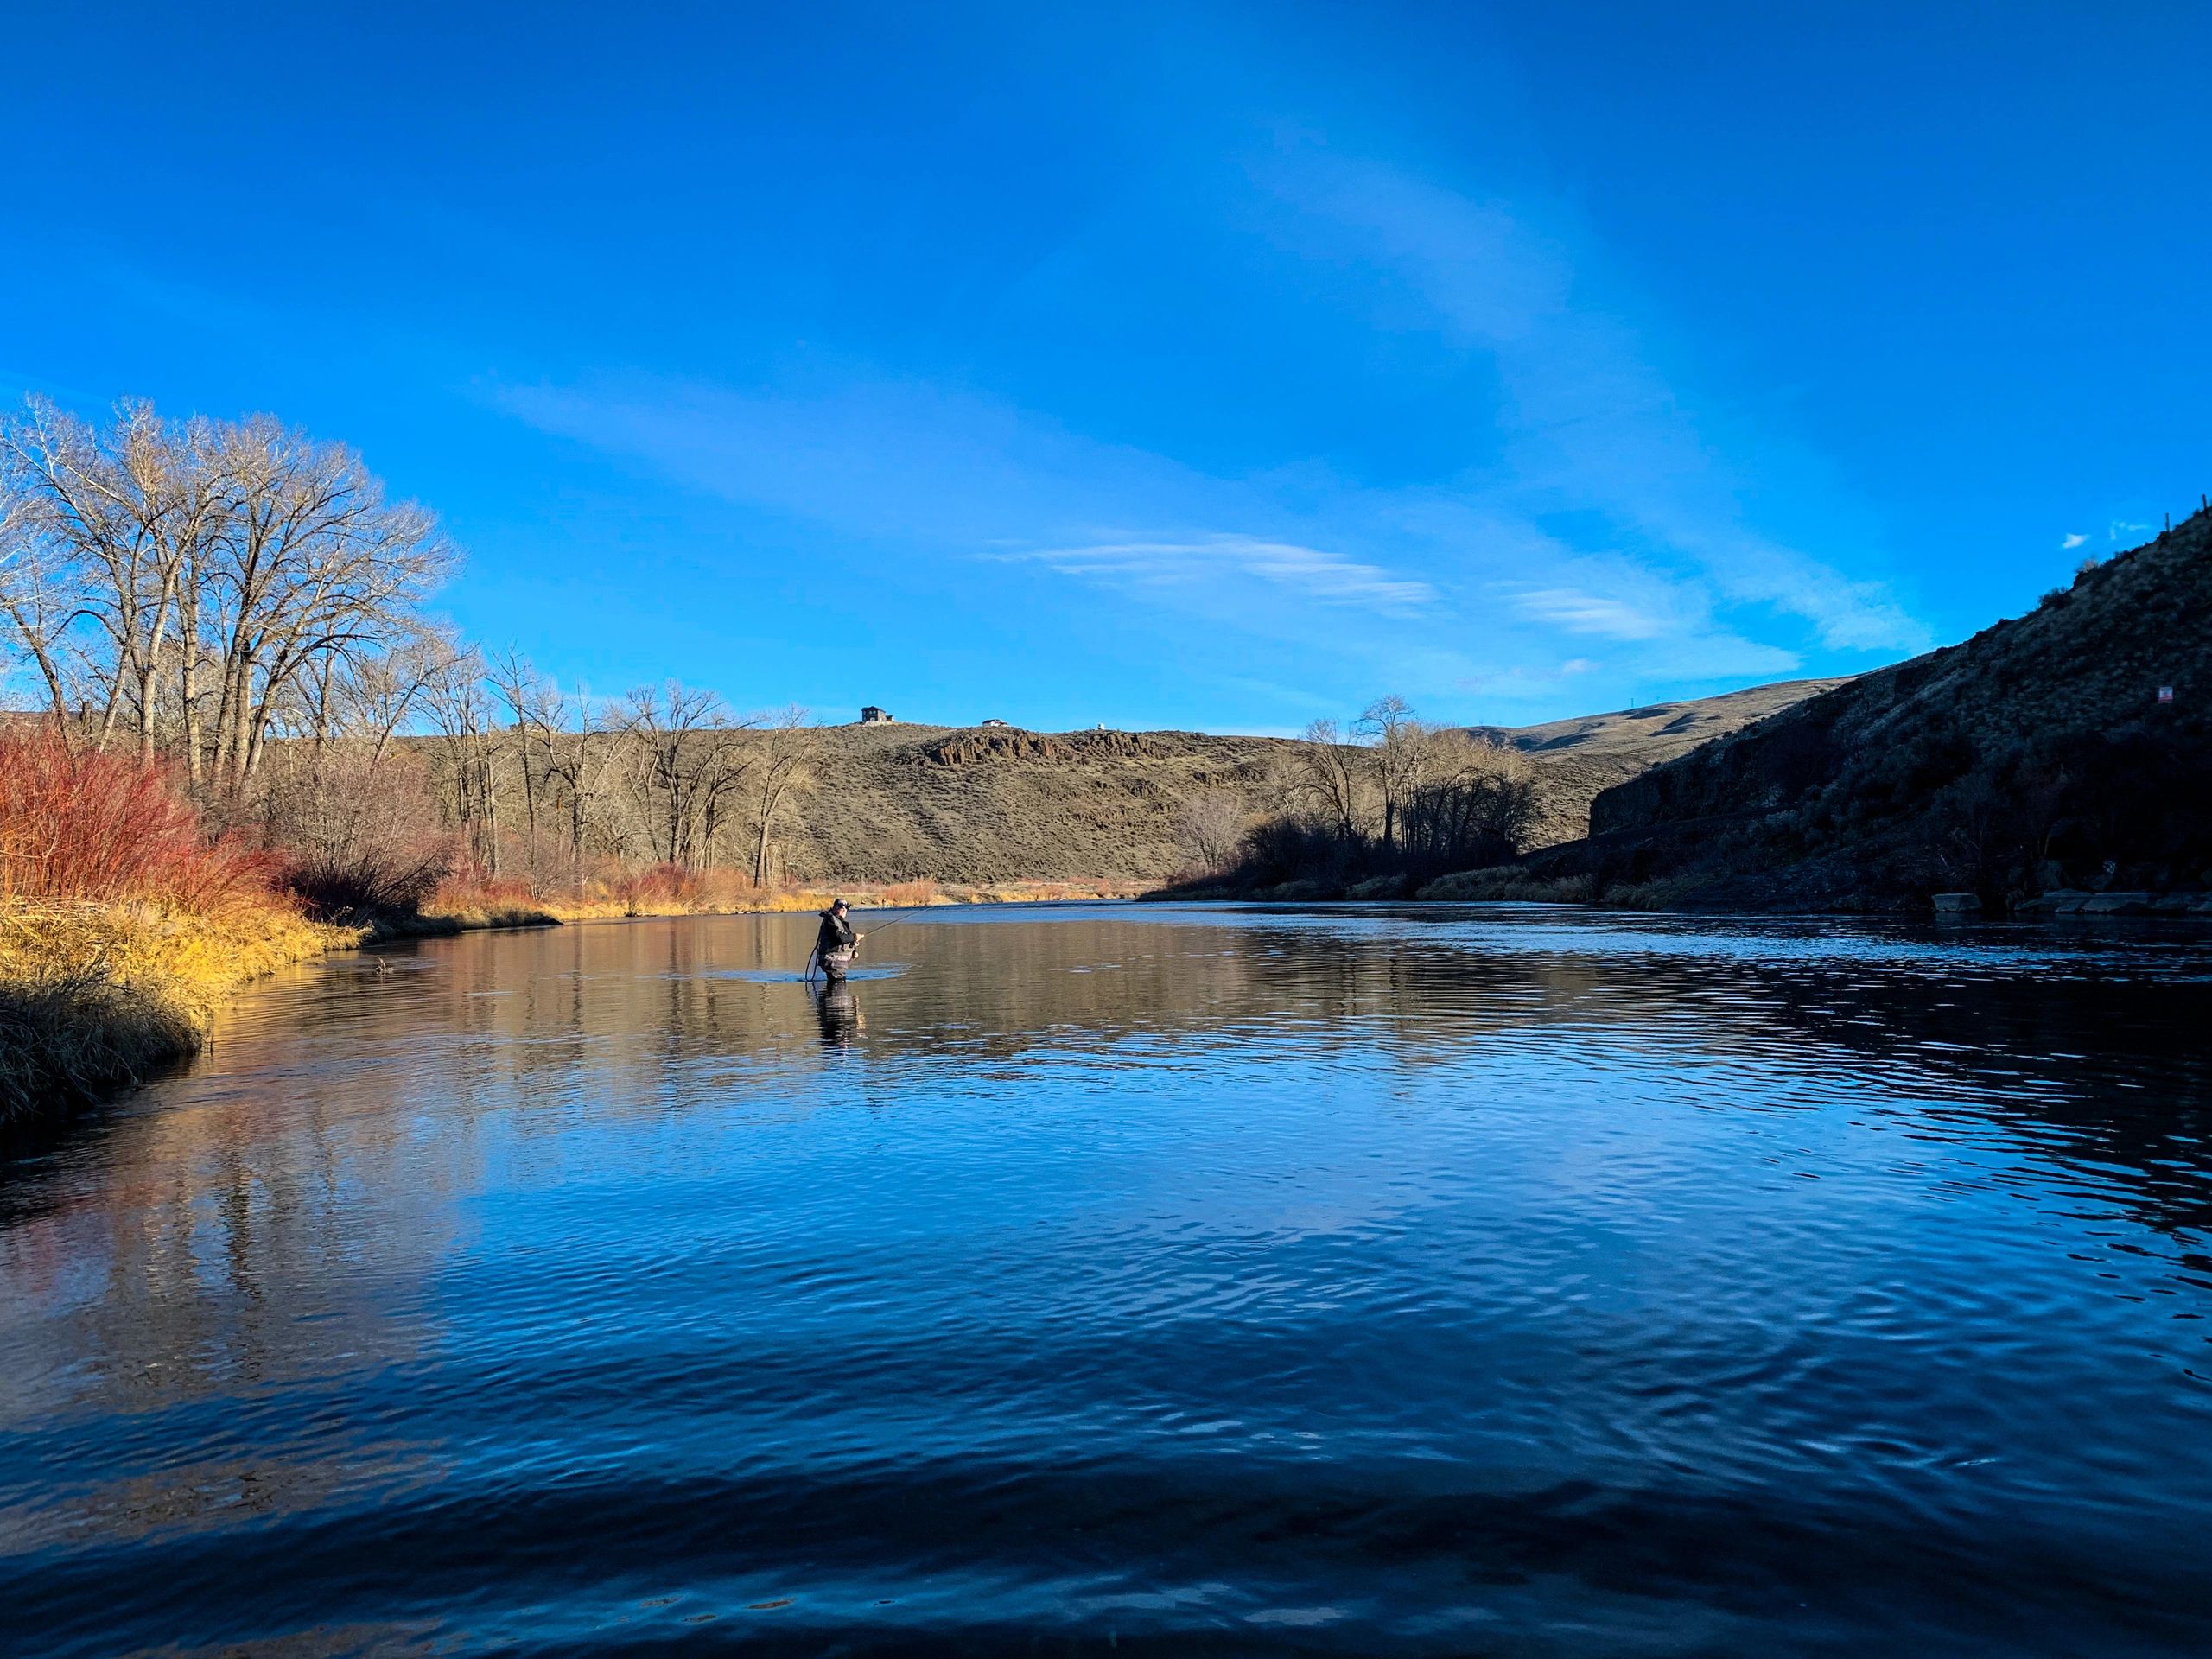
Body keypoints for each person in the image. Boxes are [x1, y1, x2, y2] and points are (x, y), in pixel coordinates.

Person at [810, 899, 865, 982]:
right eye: (841, 907)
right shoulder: (831, 920)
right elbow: (838, 938)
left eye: (846, 908)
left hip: (836, 962)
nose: (844, 910)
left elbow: (842, 939)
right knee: (838, 986)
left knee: (838, 985)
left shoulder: (838, 921)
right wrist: (854, 937)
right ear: (834, 908)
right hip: (833, 961)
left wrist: (853, 950)